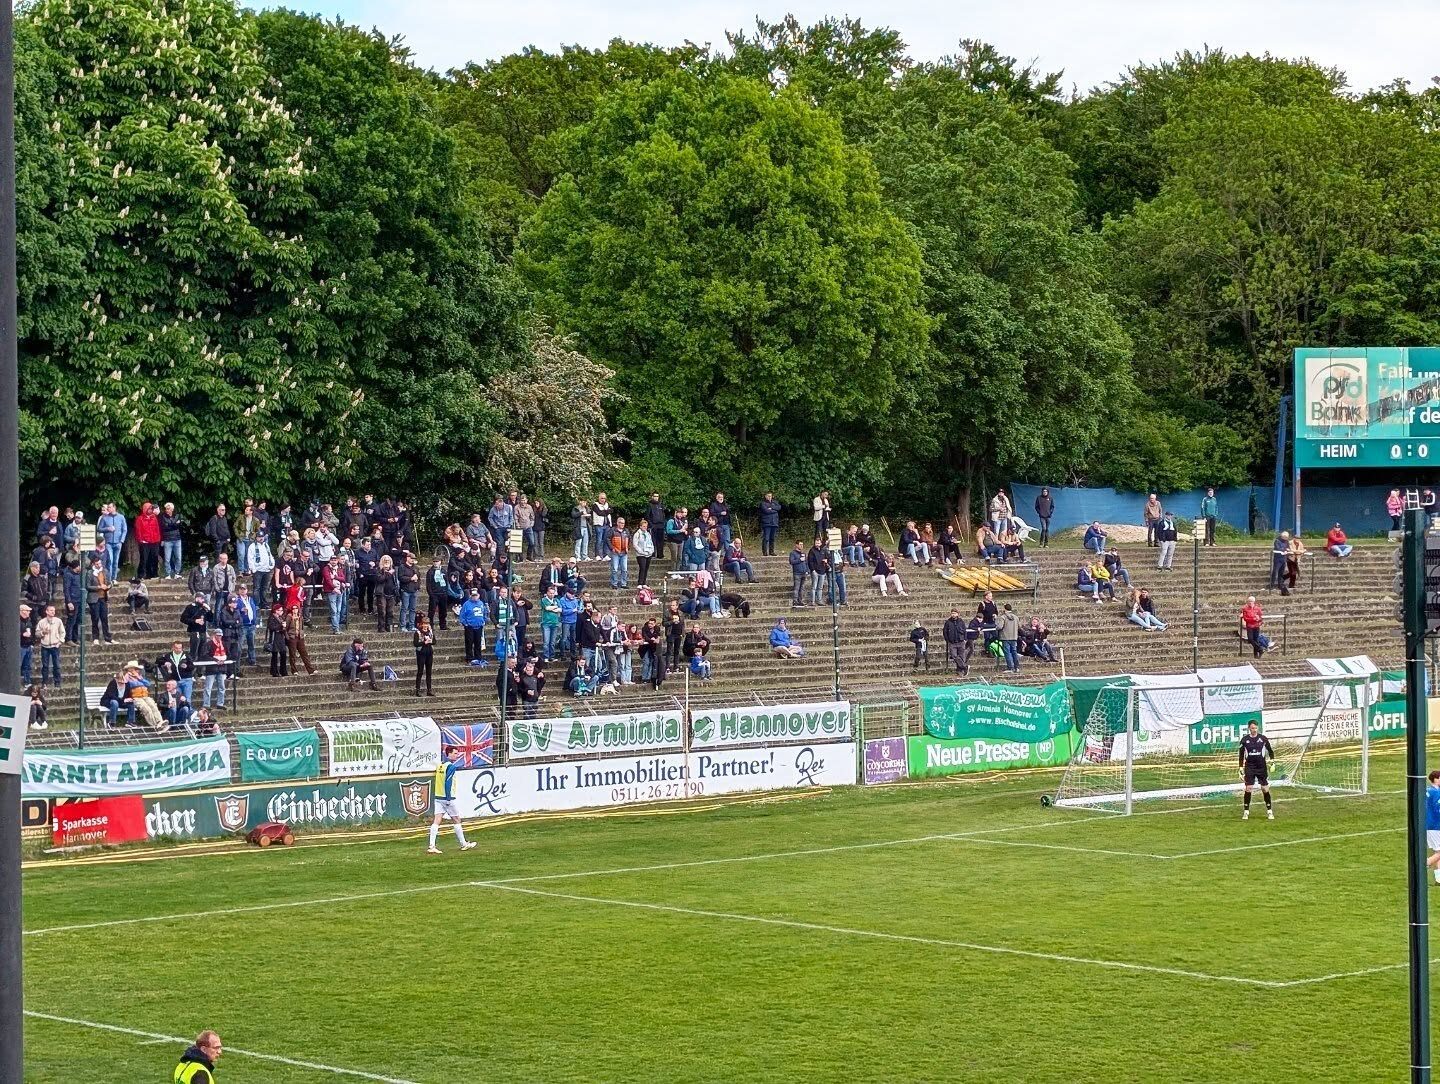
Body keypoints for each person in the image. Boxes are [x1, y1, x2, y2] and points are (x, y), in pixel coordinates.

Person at [427, 747, 478, 855]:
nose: (457, 755)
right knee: (456, 819)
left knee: (437, 821)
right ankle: (463, 844)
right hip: (447, 798)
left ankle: (431, 846)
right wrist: (448, 797)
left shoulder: (440, 765)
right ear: (449, 754)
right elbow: (448, 782)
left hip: (438, 797)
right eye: (455, 753)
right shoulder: (451, 767)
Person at [1238, 721, 1276, 820]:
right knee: (1248, 788)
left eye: (1255, 728)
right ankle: (1246, 812)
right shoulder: (1244, 740)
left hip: (1261, 767)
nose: (1254, 730)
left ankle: (1269, 811)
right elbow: (1241, 755)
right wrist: (1240, 768)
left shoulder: (1263, 739)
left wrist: (1272, 762)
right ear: (1249, 728)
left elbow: (1270, 751)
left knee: (1265, 789)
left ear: (1257, 728)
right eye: (1252, 728)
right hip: (1250, 767)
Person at [459, 589, 489, 667]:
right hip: (469, 626)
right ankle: (469, 658)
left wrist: (484, 620)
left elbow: (485, 612)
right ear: (470, 596)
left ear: (478, 595)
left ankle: (478, 657)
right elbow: (462, 615)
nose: (474, 597)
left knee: (478, 643)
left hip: (479, 626)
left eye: (476, 595)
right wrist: (465, 624)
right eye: (473, 596)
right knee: (469, 643)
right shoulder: (466, 604)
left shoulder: (481, 603)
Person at [36, 604, 63, 688]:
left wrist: (60, 642)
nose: (53, 612)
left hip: (55, 646)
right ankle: (44, 683)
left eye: (54, 610)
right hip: (45, 646)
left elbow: (62, 632)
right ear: (46, 611)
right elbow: (37, 633)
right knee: (45, 666)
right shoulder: (41, 622)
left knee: (57, 665)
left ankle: (57, 682)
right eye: (51, 610)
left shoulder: (58, 621)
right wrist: (43, 632)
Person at [413, 615, 436, 697]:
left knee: (429, 672)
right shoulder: (417, 632)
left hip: (429, 652)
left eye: (427, 623)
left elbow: (434, 641)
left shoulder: (430, 632)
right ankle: (417, 690)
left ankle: (429, 690)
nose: (426, 625)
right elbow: (415, 644)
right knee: (420, 671)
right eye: (425, 623)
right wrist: (424, 642)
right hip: (421, 653)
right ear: (422, 624)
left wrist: (430, 641)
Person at [632, 515, 655, 586]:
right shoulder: (637, 534)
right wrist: (641, 551)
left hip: (648, 553)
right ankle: (640, 582)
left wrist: (652, 550)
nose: (645, 527)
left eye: (646, 526)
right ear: (640, 526)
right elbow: (635, 544)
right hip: (641, 554)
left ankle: (644, 582)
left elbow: (651, 543)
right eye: (644, 526)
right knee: (642, 567)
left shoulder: (648, 534)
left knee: (646, 568)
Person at [1427, 771, 1440, 884]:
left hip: (1428, 824)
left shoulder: (1427, 790)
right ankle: (1424, 864)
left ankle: (1438, 878)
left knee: (1437, 851)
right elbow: (1438, 809)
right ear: (1435, 779)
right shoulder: (1437, 793)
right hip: (1436, 825)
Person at [758, 492, 781, 556]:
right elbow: (766, 511)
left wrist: (772, 508)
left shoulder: (775, 502)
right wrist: (775, 510)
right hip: (767, 523)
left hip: (774, 523)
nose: (770, 497)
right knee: (766, 538)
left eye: (770, 496)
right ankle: (765, 552)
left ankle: (771, 551)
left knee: (772, 538)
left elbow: (779, 507)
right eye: (768, 496)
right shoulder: (763, 503)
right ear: (765, 496)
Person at [998, 605, 1020, 673]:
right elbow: (1019, 627)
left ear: (1005, 609)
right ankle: (1017, 667)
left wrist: (996, 625)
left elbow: (1000, 627)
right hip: (1014, 637)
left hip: (1005, 637)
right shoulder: (1016, 617)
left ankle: (1010, 667)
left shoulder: (1003, 617)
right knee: (1014, 652)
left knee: (1007, 653)